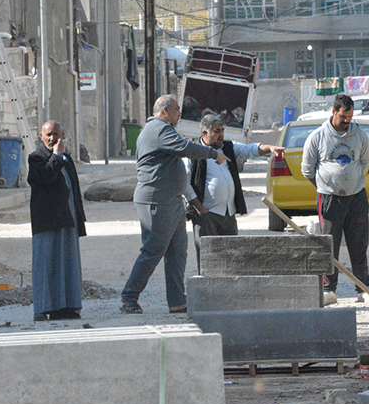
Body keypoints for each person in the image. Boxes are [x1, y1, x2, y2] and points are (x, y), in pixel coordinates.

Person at [121, 95, 226, 314]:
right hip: (157, 200)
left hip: (172, 201)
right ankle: (129, 298)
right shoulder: (159, 129)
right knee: (153, 250)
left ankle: (177, 301)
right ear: (166, 110)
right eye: (177, 109)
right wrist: (212, 153)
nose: (180, 113)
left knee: (177, 252)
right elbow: (185, 148)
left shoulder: (162, 129)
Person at [184, 113, 283, 271]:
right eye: (217, 131)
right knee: (207, 260)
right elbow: (185, 183)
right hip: (206, 215)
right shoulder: (193, 152)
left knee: (230, 259)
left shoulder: (228, 148)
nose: (221, 135)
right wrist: (198, 207)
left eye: (222, 130)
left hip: (228, 214)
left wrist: (269, 148)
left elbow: (249, 149)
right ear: (205, 133)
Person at [300, 94, 369, 305]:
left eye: (350, 116)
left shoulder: (359, 135)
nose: (347, 120)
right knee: (329, 246)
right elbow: (307, 170)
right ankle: (329, 290)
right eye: (343, 116)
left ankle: (363, 289)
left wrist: (351, 180)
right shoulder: (318, 136)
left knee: (359, 245)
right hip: (329, 200)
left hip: (357, 198)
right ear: (334, 112)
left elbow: (365, 162)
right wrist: (326, 186)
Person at [27, 120, 87, 321]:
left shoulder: (67, 159)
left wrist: (79, 218)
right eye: (48, 135)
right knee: (47, 264)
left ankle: (68, 306)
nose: (52, 138)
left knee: (68, 263)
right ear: (41, 137)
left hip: (67, 219)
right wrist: (56, 155)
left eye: (56, 134)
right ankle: (44, 308)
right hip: (47, 221)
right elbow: (44, 178)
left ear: (63, 135)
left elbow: (74, 190)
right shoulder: (36, 158)